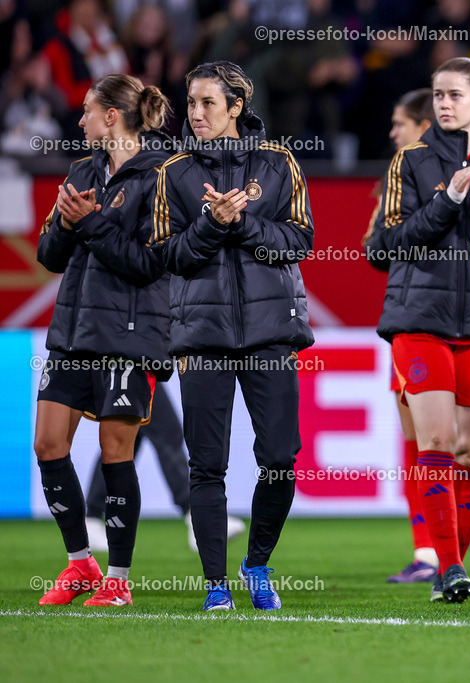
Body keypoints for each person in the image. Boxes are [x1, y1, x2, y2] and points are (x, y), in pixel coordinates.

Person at [151, 61, 314, 612]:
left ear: (236, 107)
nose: (195, 114)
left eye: (207, 104)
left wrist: (239, 223)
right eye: (190, 103)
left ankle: (258, 563)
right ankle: (215, 583)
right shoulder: (172, 172)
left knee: (279, 458)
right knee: (207, 465)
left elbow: (298, 242)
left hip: (271, 334)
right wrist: (210, 226)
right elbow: (164, 254)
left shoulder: (279, 163)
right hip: (202, 334)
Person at [368, 57, 470, 603]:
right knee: (435, 441)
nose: (443, 104)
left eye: (455, 95)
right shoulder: (411, 161)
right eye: (438, 94)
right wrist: (448, 201)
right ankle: (448, 567)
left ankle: (457, 553)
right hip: (422, 322)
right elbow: (382, 247)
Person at [35, 74, 172, 607]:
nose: (80, 119)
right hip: (74, 329)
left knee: (116, 452)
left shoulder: (161, 176)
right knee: (49, 444)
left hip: (129, 334)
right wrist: (71, 225)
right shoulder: (81, 171)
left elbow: (150, 264)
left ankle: (118, 579)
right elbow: (49, 256)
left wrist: (90, 222)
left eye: (88, 110)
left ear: (112, 116)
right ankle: (79, 565)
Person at [364, 89, 442, 584]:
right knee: (421, 445)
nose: (393, 133)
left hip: (466, 325)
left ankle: (467, 538)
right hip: (414, 325)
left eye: (400, 123)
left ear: (424, 125)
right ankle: (430, 551)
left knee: (462, 446)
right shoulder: (398, 181)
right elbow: (375, 248)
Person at [84, 383, 247, 554]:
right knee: (164, 434)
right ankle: (198, 519)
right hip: (133, 367)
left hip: (130, 367)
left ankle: (92, 519)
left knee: (124, 441)